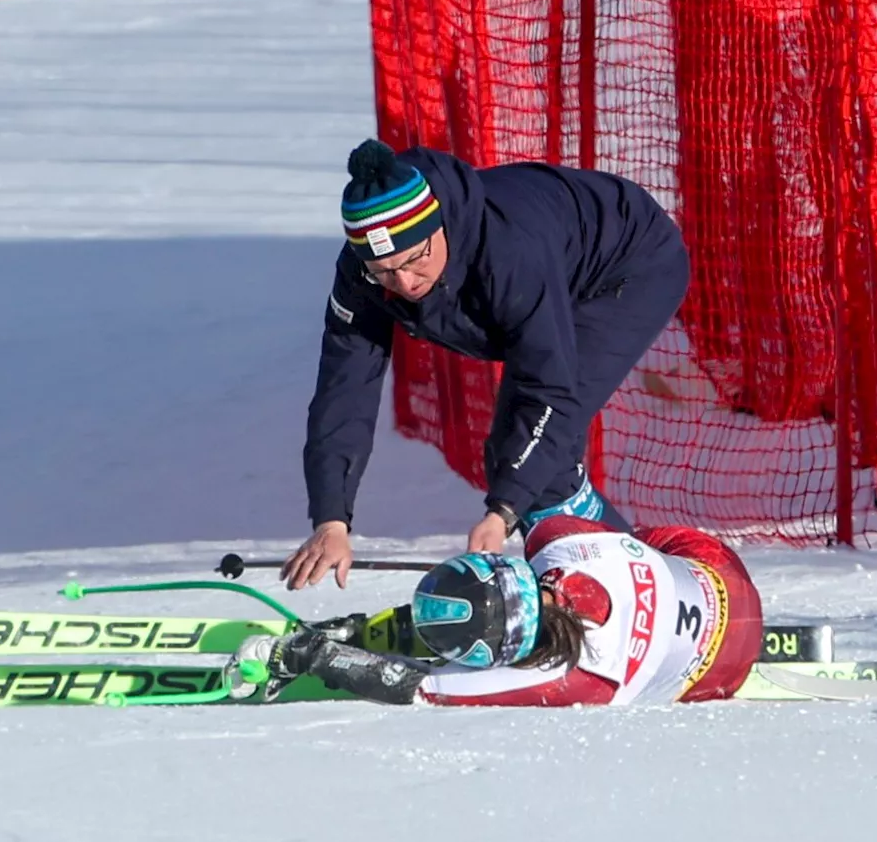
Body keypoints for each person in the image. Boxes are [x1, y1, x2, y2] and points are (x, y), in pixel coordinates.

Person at [282, 139, 690, 592]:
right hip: (550, 273)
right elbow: (344, 389)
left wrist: (503, 512)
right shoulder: (364, 275)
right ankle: (610, 585)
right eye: (384, 271)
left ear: (439, 228)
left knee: (532, 463)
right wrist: (332, 519)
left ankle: (655, 596)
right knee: (524, 462)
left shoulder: (508, 251)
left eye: (414, 260)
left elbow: (548, 390)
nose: (404, 283)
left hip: (628, 266)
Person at [237, 514, 763, 707]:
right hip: (722, 578)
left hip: (721, 674)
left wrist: (312, 655)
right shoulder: (559, 544)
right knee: (638, 545)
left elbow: (415, 687)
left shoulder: (571, 678)